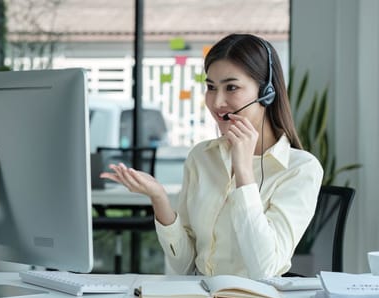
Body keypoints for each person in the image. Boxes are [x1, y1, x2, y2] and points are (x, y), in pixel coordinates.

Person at [100, 33, 323, 279]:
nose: (217, 102)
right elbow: (185, 266)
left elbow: (264, 269)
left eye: (232, 87)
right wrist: (159, 198)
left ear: (266, 92)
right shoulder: (201, 157)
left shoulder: (301, 169)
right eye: (210, 87)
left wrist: (243, 171)